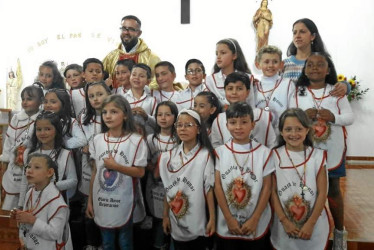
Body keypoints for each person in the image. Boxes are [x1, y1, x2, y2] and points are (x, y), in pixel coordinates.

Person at [289, 53, 353, 250]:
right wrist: (302, 117)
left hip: (332, 147)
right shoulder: (298, 92)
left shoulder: (336, 91)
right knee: (305, 189)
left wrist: (334, 116)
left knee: (333, 190)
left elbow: (349, 117)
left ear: (328, 70)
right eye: (310, 65)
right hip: (307, 148)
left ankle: (340, 233)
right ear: (304, 69)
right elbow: (290, 115)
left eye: (320, 65)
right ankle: (309, 228)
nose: (315, 68)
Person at [86, 95, 147, 250]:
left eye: (114, 111)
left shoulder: (136, 140)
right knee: (107, 242)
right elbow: (95, 172)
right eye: (105, 112)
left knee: (125, 242)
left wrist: (116, 166)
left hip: (124, 200)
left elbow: (140, 172)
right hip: (102, 201)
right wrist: (90, 201)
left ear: (125, 114)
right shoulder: (97, 140)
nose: (108, 116)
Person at [214, 102, 273, 249]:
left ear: (253, 125)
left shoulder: (265, 153)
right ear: (226, 125)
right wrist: (228, 218)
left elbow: (267, 188)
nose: (238, 127)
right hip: (226, 221)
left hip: (256, 221)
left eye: (244, 122)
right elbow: (218, 186)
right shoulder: (220, 152)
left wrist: (255, 219)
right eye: (233, 123)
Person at [270, 108, 329, 250]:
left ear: (307, 130)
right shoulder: (273, 156)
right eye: (288, 129)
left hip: (314, 225)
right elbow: (272, 192)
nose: (294, 134)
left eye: (299, 129)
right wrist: (285, 221)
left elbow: (322, 193)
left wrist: (310, 223)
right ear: (281, 131)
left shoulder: (317, 156)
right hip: (284, 225)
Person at [159, 109, 215, 250]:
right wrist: (165, 215)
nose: (182, 129)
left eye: (188, 125)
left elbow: (209, 189)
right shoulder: (168, 157)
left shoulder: (205, 155)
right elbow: (168, 188)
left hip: (197, 216)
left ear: (198, 129)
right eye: (179, 125)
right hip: (174, 216)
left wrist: (212, 218)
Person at [11, 153, 72, 250]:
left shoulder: (57, 202)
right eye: (28, 166)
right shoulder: (30, 192)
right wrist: (19, 217)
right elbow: (26, 222)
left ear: (49, 172)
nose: (29, 171)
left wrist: (32, 220)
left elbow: (55, 234)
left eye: (37, 167)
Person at [79, 81, 111, 249]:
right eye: (91, 96)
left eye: (100, 94)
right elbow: (77, 138)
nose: (95, 99)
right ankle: (91, 243)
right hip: (88, 170)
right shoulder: (85, 116)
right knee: (89, 208)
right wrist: (83, 146)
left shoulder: (113, 115)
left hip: (109, 170)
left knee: (106, 207)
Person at [0, 85, 43, 210]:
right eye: (23, 99)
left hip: (32, 166)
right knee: (10, 204)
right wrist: (5, 162)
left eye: (29, 99)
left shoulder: (43, 118)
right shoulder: (16, 119)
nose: (25, 102)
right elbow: (8, 142)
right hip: (14, 169)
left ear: (40, 100)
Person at [283, 18, 348, 97]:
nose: (297, 36)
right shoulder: (284, 64)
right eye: (294, 32)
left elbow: (333, 83)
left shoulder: (322, 61)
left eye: (302, 32)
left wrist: (345, 86)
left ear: (313, 36)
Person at [210, 72, 276, 148]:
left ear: (248, 92)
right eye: (230, 89)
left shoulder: (263, 115)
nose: (234, 92)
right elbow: (216, 147)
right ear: (225, 91)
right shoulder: (219, 119)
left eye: (239, 88)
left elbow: (271, 143)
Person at [145, 101, 178, 250]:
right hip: (154, 186)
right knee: (158, 219)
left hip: (174, 187)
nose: (163, 118)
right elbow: (144, 161)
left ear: (175, 117)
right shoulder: (151, 139)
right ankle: (159, 244)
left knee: (175, 217)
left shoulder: (179, 139)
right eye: (159, 114)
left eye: (168, 114)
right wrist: (155, 169)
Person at [103, 15, 160, 89]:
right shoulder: (111, 56)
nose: (126, 32)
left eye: (131, 29)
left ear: (139, 33)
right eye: (123, 29)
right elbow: (99, 76)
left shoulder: (151, 57)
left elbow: (158, 81)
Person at [251, 45, 293, 131]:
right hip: (258, 133)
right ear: (258, 64)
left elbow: (293, 111)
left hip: (280, 133)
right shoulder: (254, 86)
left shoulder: (288, 84)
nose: (270, 65)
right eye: (266, 62)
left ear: (281, 65)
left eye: (275, 62)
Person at [205, 38, 252, 106]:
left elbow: (251, 104)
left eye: (223, 53)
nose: (218, 57)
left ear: (234, 56)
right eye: (217, 53)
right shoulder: (210, 80)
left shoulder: (249, 78)